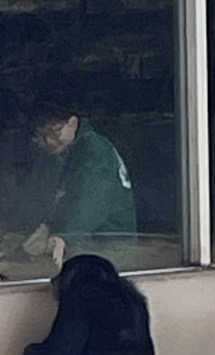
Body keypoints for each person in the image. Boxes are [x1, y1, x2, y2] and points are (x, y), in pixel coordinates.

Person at [23, 97, 137, 267]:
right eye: (41, 135)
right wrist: (47, 225)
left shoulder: (95, 152)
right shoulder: (72, 151)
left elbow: (91, 201)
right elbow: (65, 197)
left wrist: (65, 236)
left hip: (111, 247)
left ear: (73, 123)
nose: (48, 141)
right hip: (88, 244)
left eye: (54, 132)